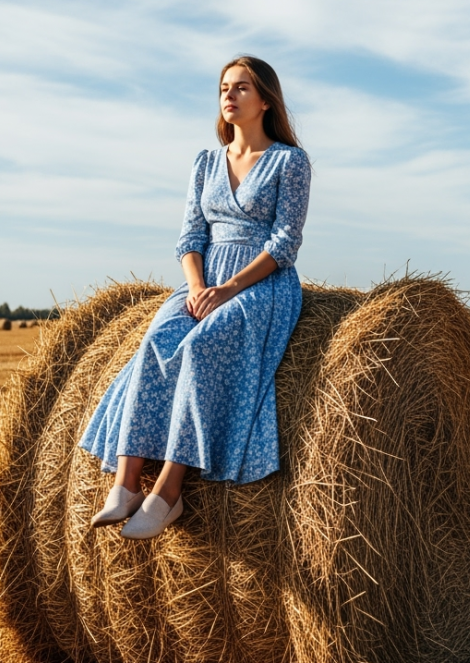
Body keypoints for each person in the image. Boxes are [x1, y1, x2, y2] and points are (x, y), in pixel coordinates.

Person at [79, 56, 310, 539]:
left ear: (266, 100)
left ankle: (168, 493)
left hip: (259, 283)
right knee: (159, 339)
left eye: (242, 88)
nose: (229, 95)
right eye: (225, 87)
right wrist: (200, 285)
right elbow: (189, 237)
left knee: (204, 347)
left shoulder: (290, 161)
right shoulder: (205, 162)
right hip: (203, 280)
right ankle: (124, 486)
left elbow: (284, 244)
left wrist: (229, 289)